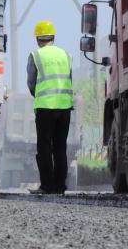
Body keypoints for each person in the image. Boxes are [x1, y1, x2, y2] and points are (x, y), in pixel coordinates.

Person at [27, 21, 73, 195]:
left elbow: (31, 83)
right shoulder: (66, 55)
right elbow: (69, 79)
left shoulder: (36, 55)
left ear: (38, 38)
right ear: (53, 37)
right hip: (65, 107)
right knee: (60, 147)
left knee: (44, 147)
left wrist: (39, 95)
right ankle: (60, 186)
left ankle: (47, 186)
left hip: (45, 107)